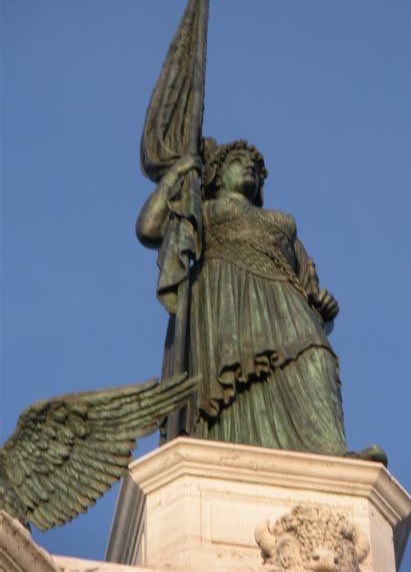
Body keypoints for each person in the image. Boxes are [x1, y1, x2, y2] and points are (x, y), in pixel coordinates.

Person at [137, 138, 386, 463]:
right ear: (216, 174)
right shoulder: (204, 210)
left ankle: (332, 452)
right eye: (238, 160)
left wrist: (325, 309)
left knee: (316, 353)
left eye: (255, 166)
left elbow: (310, 289)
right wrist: (179, 172)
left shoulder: (283, 223)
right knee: (236, 380)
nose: (250, 167)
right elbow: (149, 228)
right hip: (225, 297)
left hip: (283, 295)